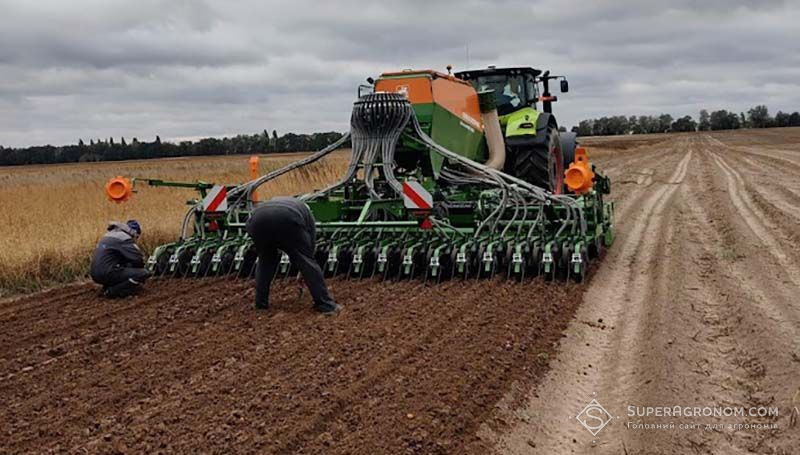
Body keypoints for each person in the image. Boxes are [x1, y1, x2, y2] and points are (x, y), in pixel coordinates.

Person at [245, 196, 340, 314]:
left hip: (257, 219)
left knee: (265, 261)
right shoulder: (307, 213)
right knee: (306, 261)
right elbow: (310, 245)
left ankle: (261, 304)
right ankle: (326, 305)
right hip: (288, 218)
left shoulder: (279, 202)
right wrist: (304, 265)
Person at [90, 220, 151, 298]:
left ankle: (107, 287)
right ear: (134, 233)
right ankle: (112, 292)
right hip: (107, 273)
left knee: (120, 266)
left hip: (94, 274)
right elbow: (138, 258)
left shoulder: (109, 235)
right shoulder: (125, 238)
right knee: (143, 273)